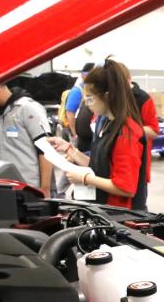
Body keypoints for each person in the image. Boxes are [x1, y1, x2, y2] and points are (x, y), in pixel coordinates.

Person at [48, 60, 146, 208]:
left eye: (90, 99)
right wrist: (70, 150)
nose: (86, 104)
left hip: (121, 217)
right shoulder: (106, 124)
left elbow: (125, 188)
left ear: (107, 96)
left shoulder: (127, 133)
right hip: (103, 211)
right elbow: (99, 167)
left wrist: (85, 178)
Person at [0, 82, 52, 196]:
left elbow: (45, 150)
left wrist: (45, 189)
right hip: (4, 186)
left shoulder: (28, 108)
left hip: (29, 188)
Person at [120, 64, 158, 211]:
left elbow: (154, 131)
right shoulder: (112, 98)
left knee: (137, 210)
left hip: (138, 163)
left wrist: (129, 128)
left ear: (129, 80)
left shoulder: (143, 99)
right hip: (118, 164)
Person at [63, 62, 95, 139]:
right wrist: (74, 134)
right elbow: (70, 114)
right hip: (81, 137)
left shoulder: (93, 90)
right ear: (83, 75)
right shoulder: (77, 91)